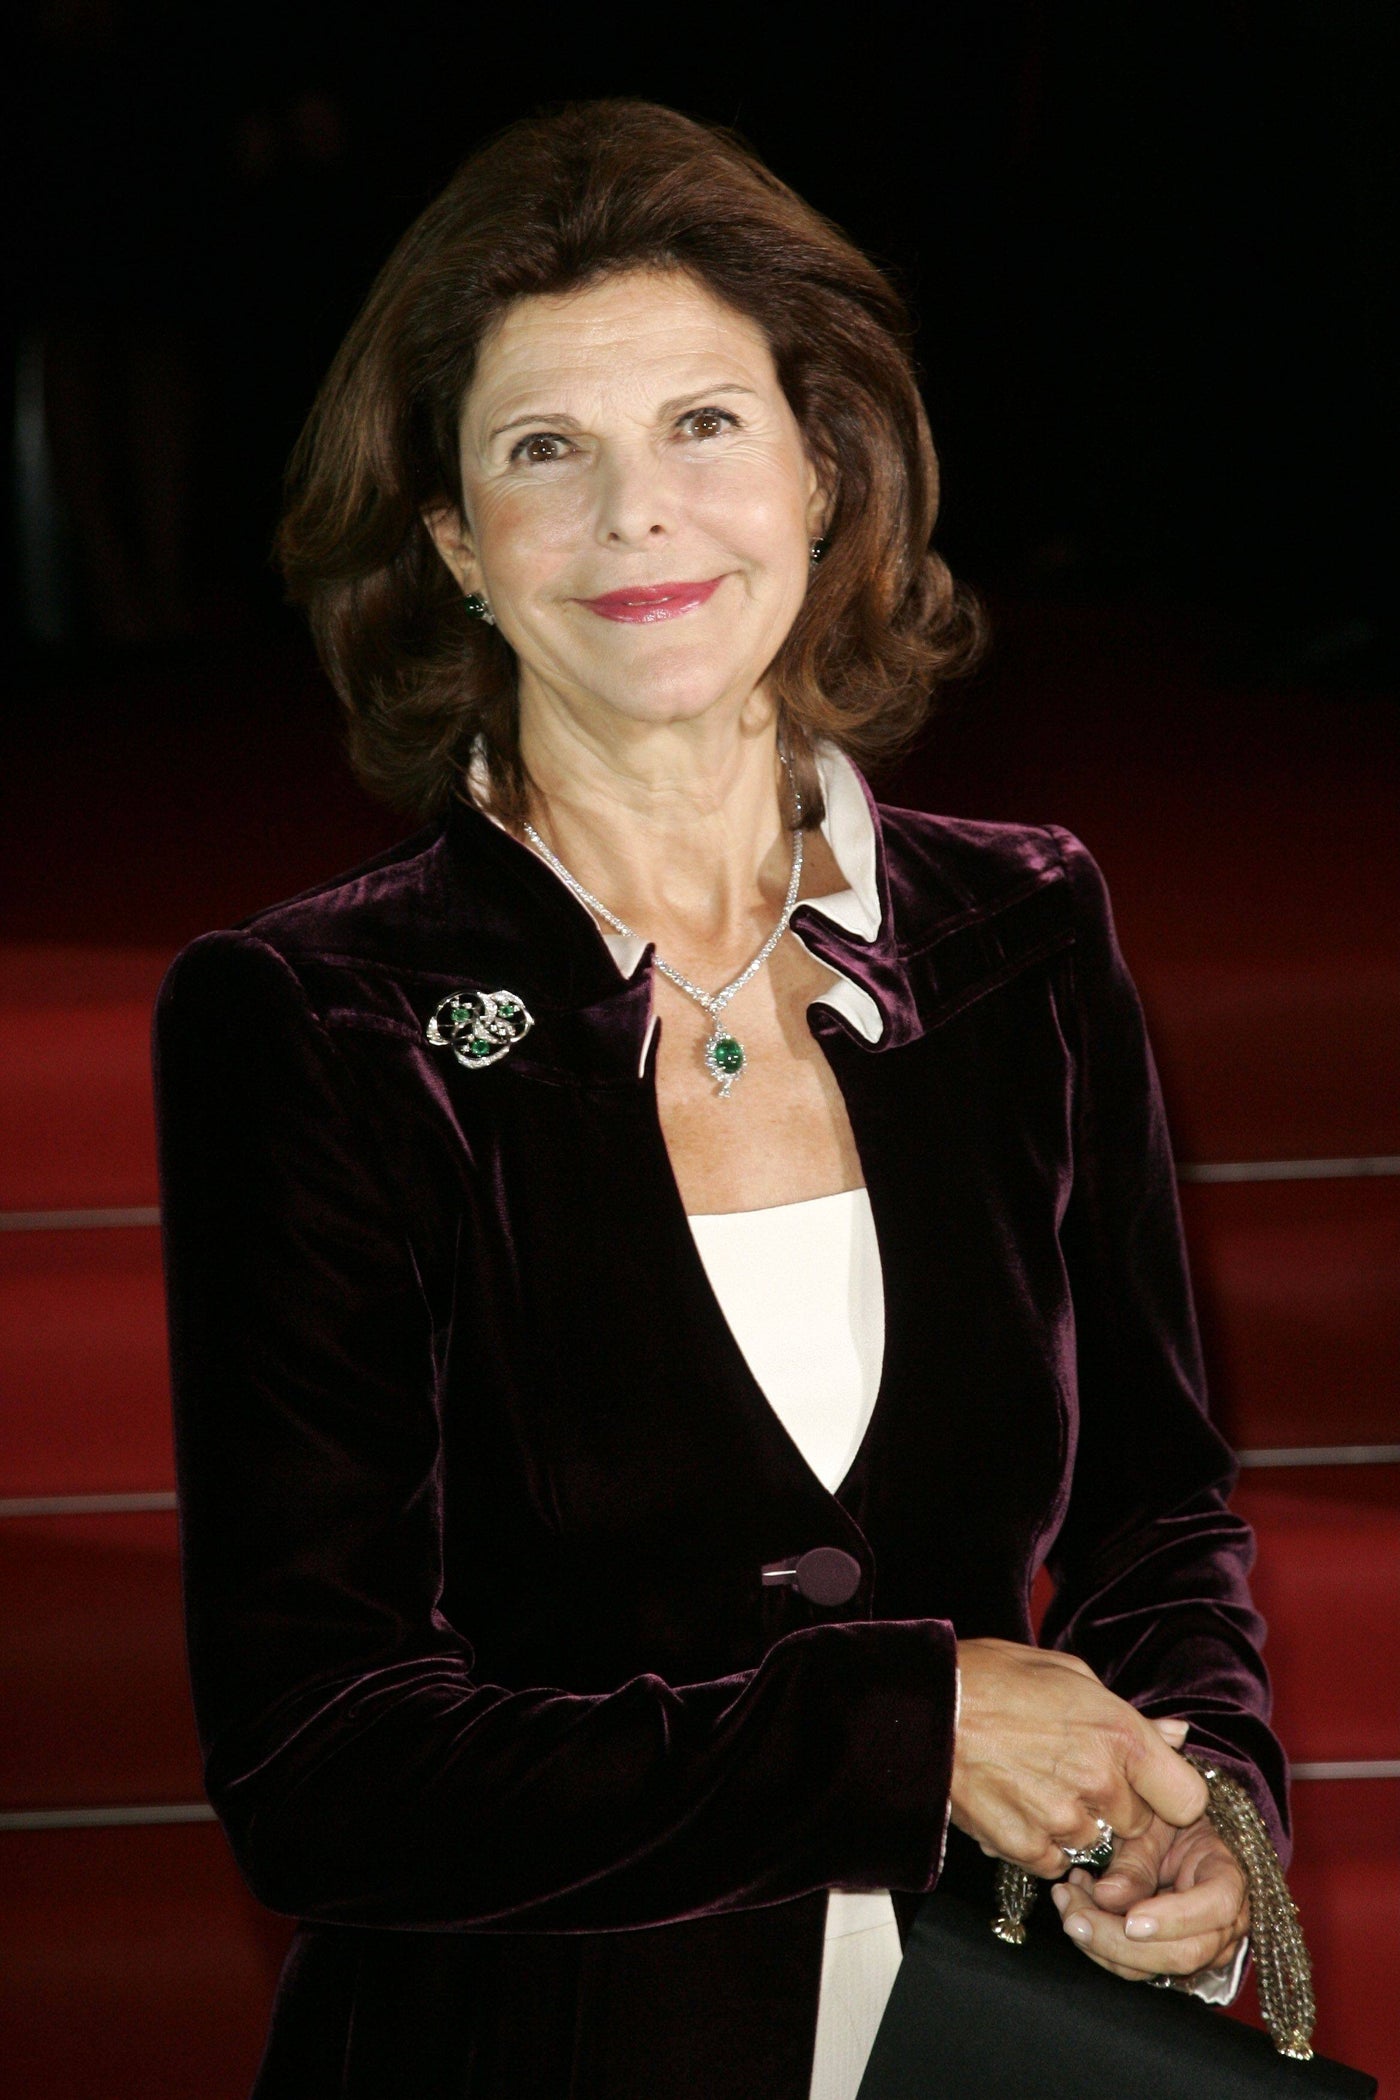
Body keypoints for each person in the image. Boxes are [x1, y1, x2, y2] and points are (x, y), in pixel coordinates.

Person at [154, 101, 1286, 2100]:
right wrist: (908, 1729)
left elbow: (1154, 1515)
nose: (634, 521)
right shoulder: (318, 1022)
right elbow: (321, 1769)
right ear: (453, 549)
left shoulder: (1022, 927)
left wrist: (1192, 1800)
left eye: (701, 426)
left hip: (1001, 2041)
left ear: (822, 471)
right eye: (541, 454)